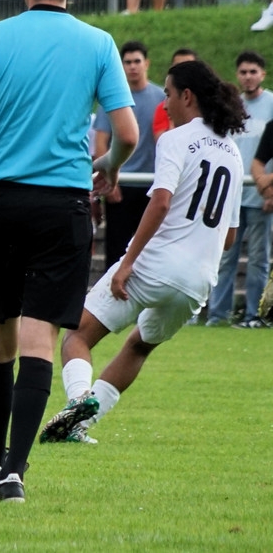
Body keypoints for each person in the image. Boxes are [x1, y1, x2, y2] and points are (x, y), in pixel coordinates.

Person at [0, 0, 138, 503]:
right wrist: (106, 166)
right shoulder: (99, 43)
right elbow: (127, 133)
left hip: (1, 203)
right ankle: (15, 473)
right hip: (64, 207)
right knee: (39, 340)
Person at [41, 60, 246, 443]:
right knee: (138, 345)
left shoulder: (175, 138)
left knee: (76, 335)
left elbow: (161, 202)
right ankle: (80, 428)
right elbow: (231, 235)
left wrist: (129, 262)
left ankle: (78, 400)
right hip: (198, 280)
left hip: (155, 265)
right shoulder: (233, 154)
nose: (164, 104)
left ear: (187, 96)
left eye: (168, 94)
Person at [206, 51, 273, 327]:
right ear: (237, 75)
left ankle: (253, 316)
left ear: (263, 74)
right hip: (231, 195)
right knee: (224, 257)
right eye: (243, 72)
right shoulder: (232, 106)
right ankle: (217, 314)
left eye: (253, 71)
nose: (248, 76)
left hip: (261, 195)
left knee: (259, 259)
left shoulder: (271, 104)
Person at [94, 41, 166, 269]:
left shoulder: (162, 98)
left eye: (137, 61)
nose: (133, 67)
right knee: (116, 250)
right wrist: (108, 177)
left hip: (151, 185)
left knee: (151, 251)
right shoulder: (112, 98)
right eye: (127, 62)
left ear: (147, 63)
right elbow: (101, 142)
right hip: (120, 184)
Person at [152, 47, 198, 141]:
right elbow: (162, 142)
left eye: (188, 66)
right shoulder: (164, 108)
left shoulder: (208, 106)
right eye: (178, 66)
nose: (183, 71)